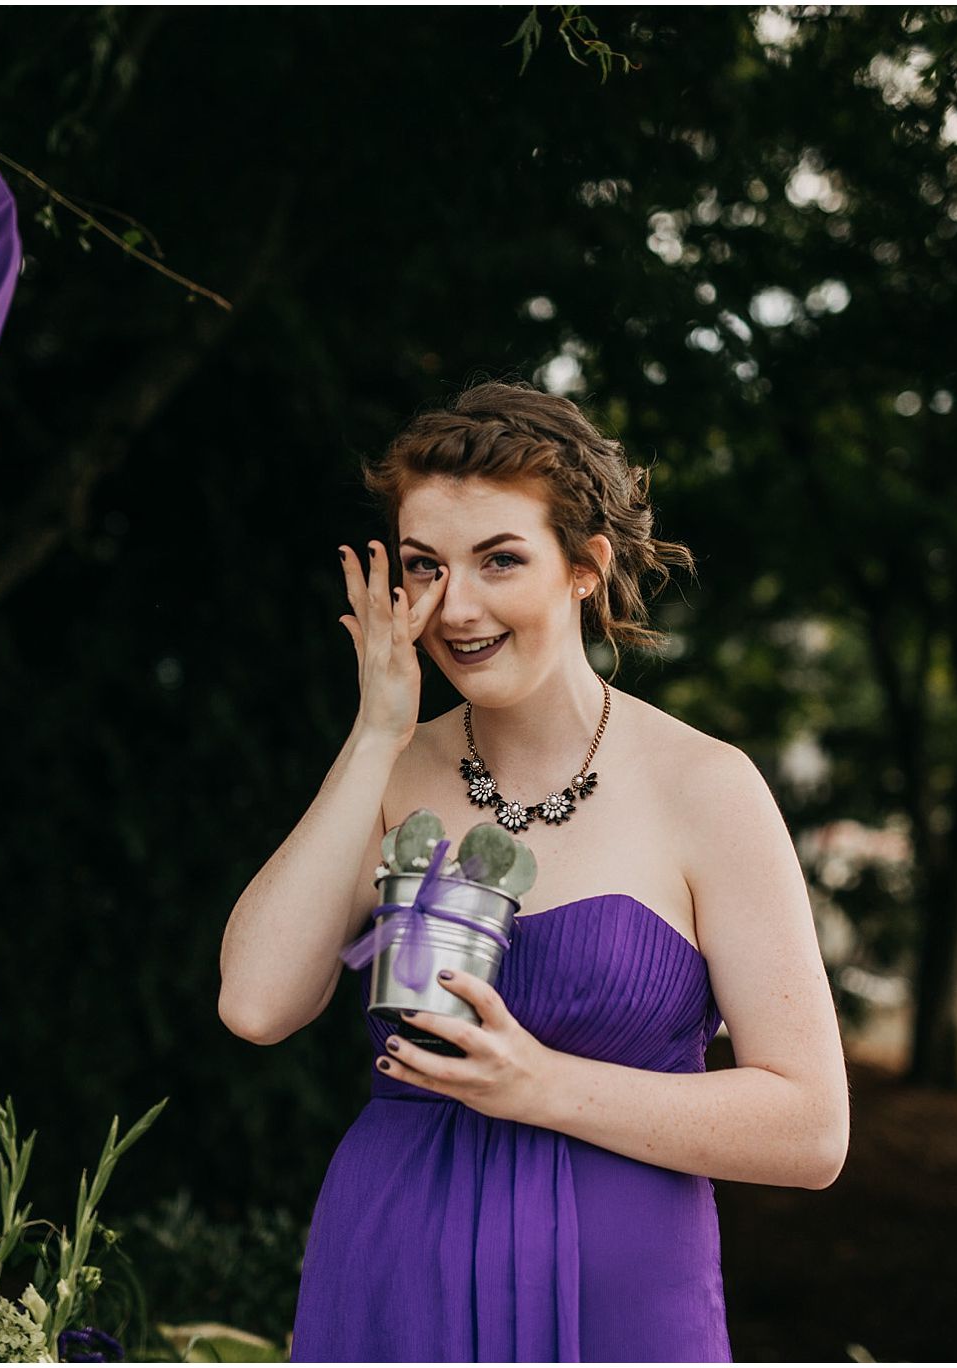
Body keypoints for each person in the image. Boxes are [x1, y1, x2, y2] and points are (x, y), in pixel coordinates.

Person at [217, 380, 849, 1362]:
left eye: (498, 561)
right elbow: (255, 1003)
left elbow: (810, 1130)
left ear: (583, 569)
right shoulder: (389, 771)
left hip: (624, 1306)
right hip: (390, 1280)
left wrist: (541, 1087)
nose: (455, 608)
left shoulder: (706, 788)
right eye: (425, 568)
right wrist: (377, 733)